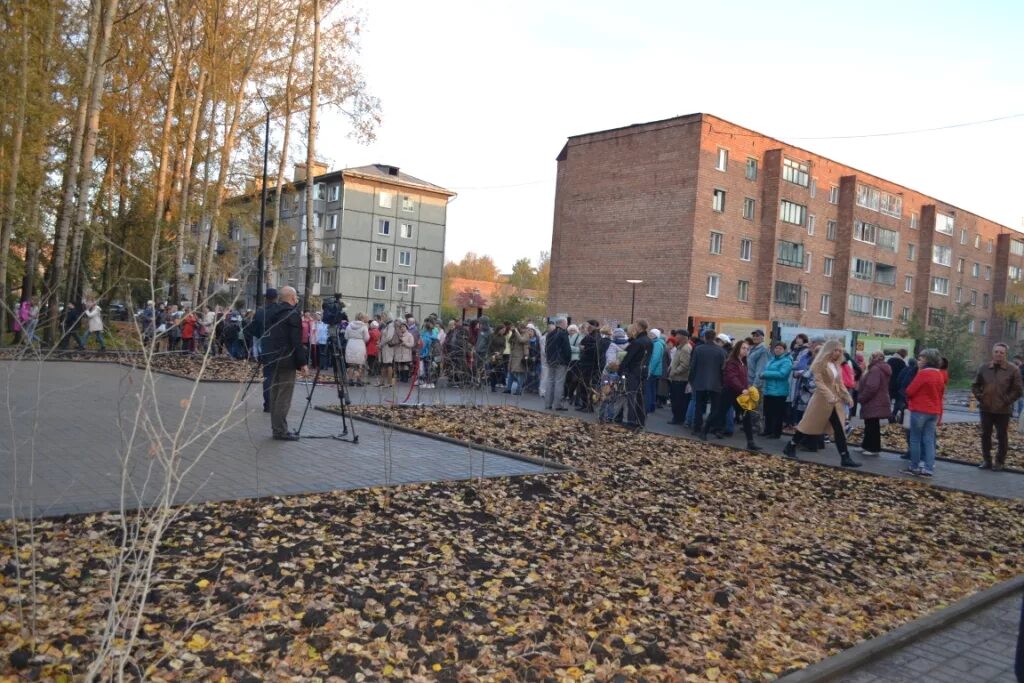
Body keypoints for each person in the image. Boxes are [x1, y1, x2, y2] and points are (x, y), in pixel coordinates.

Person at [783, 340, 861, 467]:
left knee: (839, 429)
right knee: (807, 425)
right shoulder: (819, 363)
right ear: (829, 350)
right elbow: (819, 383)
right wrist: (829, 395)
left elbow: (839, 383)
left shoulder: (836, 365)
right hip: (821, 401)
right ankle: (791, 445)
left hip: (835, 402)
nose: (837, 353)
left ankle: (845, 457)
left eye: (840, 351)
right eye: (835, 350)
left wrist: (847, 396)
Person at [261, 286, 307, 440]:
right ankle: (280, 430)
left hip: (273, 358)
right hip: (287, 359)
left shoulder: (273, 312)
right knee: (284, 396)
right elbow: (296, 340)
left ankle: (276, 428)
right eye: (296, 297)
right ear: (293, 298)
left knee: (275, 394)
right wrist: (303, 363)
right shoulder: (292, 315)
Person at [971, 342, 1024, 471]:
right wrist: (981, 397)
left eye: (1002, 352)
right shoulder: (984, 368)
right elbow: (975, 385)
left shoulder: (1013, 370)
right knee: (985, 435)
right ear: (992, 352)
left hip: (1003, 410)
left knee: (1002, 436)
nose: (999, 354)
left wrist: (1007, 400)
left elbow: (1018, 390)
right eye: (997, 352)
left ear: (1005, 354)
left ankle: (1000, 461)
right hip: (986, 408)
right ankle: (986, 460)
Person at [703, 339, 760, 451]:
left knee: (746, 416)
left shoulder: (743, 362)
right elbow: (731, 378)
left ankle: (750, 442)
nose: (746, 351)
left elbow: (742, 378)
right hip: (729, 392)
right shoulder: (732, 362)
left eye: (747, 349)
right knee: (718, 413)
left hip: (740, 393)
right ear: (738, 348)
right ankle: (704, 431)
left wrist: (746, 387)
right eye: (743, 348)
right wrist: (742, 388)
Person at [903, 348, 945, 477]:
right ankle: (928, 468)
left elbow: (910, 391)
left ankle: (914, 466)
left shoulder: (923, 374)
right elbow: (941, 393)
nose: (918, 360)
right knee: (929, 440)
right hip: (934, 411)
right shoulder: (939, 374)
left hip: (920, 410)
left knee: (915, 439)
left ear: (927, 360)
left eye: (921, 358)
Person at [688, 330, 727, 434]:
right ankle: (711, 427)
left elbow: (693, 367)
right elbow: (723, 369)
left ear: (705, 337)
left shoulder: (698, 349)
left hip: (700, 381)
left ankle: (697, 428)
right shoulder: (721, 351)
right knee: (715, 407)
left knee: (699, 406)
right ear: (714, 338)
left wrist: (691, 380)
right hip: (716, 383)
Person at [856, 351, 892, 455]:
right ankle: (866, 446)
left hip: (873, 400)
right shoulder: (882, 368)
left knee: (872, 425)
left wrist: (862, 398)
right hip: (878, 399)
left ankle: (872, 448)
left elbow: (871, 387)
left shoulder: (875, 369)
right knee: (871, 424)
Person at [618, 320, 652, 430]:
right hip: (643, 371)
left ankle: (631, 421)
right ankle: (640, 421)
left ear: (639, 327)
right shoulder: (648, 341)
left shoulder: (638, 342)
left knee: (631, 396)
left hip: (634, 372)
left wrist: (621, 370)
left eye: (636, 326)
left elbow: (628, 358)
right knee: (640, 397)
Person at [760, 341, 793, 439]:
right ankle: (768, 430)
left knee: (777, 414)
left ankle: (776, 433)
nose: (777, 350)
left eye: (780, 348)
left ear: (784, 350)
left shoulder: (787, 361)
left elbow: (782, 374)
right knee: (768, 412)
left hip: (779, 392)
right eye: (776, 348)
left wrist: (765, 374)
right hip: (768, 390)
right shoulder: (772, 360)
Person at [252, 289, 278, 412]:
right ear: (276, 298)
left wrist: (257, 350)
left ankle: (267, 404)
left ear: (265, 298)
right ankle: (275, 403)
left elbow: (255, 332)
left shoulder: (260, 312)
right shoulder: (280, 310)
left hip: (265, 348)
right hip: (278, 349)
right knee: (278, 377)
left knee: (267, 377)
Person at [543, 316, 571, 410]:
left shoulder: (549, 334)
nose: (567, 325)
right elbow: (567, 350)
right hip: (561, 361)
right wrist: (568, 360)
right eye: (566, 323)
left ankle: (548, 404)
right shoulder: (563, 334)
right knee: (559, 382)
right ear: (563, 324)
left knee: (550, 381)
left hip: (551, 361)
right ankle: (557, 405)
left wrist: (548, 358)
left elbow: (546, 348)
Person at [668, 329, 692, 425]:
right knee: (676, 399)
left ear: (682, 337)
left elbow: (685, 365)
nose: (676, 337)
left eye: (677, 335)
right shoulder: (681, 347)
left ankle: (678, 418)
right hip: (677, 378)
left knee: (678, 400)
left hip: (680, 379)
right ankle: (678, 417)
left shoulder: (685, 348)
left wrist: (674, 372)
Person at [344, 313, 370, 385]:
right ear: (362, 318)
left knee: (351, 364)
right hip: (360, 344)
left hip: (351, 344)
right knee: (360, 364)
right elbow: (367, 338)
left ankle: (350, 379)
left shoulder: (349, 325)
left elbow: (346, 336)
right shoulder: (364, 326)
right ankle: (358, 380)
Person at [645, 329, 666, 414]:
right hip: (655, 370)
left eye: (651, 334)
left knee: (649, 389)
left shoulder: (657, 344)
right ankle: (651, 406)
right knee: (652, 389)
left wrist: (649, 370)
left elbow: (655, 359)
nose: (650, 335)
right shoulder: (658, 343)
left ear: (655, 335)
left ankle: (649, 407)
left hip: (653, 370)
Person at [505, 323, 530, 395]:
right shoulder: (517, 333)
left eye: (520, 328)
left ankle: (518, 390)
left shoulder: (526, 334)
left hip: (520, 357)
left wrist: (516, 332)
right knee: (511, 373)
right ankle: (508, 389)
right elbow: (510, 341)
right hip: (513, 356)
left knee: (520, 374)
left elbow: (522, 340)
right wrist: (513, 333)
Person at [887, 349, 908, 419]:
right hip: (898, 385)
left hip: (889, 384)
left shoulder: (889, 361)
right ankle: (893, 414)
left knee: (888, 400)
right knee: (898, 400)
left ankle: (887, 414)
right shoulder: (902, 363)